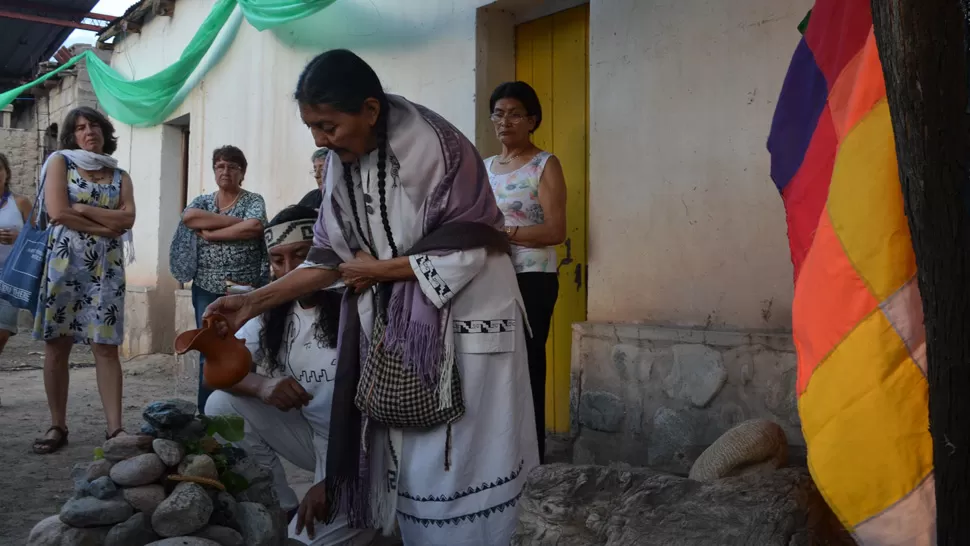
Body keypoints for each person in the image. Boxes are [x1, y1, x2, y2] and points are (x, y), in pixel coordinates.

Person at [204, 49, 538, 545]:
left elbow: (473, 243)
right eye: (311, 126)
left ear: (370, 111)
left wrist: (377, 271)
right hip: (403, 323)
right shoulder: (343, 164)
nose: (319, 138)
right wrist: (255, 302)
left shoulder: (437, 149)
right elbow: (328, 257)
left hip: (469, 318)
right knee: (413, 463)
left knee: (463, 463)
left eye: (328, 125)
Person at [205, 204, 379, 545]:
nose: (288, 269)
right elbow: (214, 377)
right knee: (221, 405)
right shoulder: (273, 310)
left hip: (371, 453)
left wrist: (335, 481)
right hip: (317, 441)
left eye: (301, 256)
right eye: (277, 259)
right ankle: (280, 508)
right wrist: (262, 386)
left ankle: (384, 521)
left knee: (303, 542)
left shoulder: (364, 304)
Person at [32, 106, 137, 453]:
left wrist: (85, 210)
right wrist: (108, 225)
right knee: (57, 343)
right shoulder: (60, 162)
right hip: (66, 263)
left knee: (106, 347)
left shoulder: (120, 175)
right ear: (71, 135)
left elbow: (129, 218)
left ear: (106, 131)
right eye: (80, 127)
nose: (88, 131)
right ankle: (57, 425)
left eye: (94, 125)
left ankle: (115, 429)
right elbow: (57, 211)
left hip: (106, 269)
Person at [484, 81, 567, 463]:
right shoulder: (484, 168)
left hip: (533, 276)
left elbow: (555, 231)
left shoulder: (543, 164)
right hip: (490, 276)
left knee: (528, 360)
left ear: (532, 120)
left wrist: (508, 233)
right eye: (499, 113)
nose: (505, 121)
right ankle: (500, 451)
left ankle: (532, 456)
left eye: (515, 113)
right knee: (494, 360)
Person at [173, 145, 268, 414]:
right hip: (206, 286)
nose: (226, 171)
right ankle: (208, 417)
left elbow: (255, 226)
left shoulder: (253, 200)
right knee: (210, 349)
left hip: (242, 286)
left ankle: (244, 416)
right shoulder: (202, 201)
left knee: (242, 349)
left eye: (232, 166)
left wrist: (214, 233)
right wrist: (234, 223)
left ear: (242, 172)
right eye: (220, 166)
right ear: (215, 171)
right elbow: (189, 217)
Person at [0, 152, 32, 357]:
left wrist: (19, 237)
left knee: (1, 333)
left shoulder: (20, 203)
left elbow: (40, 238)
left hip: (10, 276)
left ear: (7, 173)